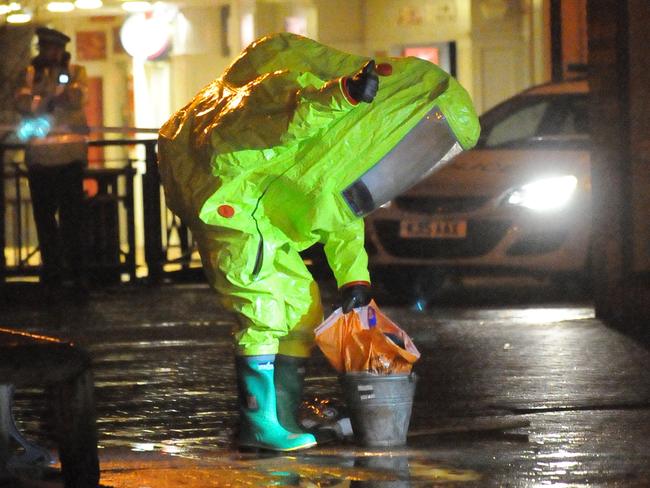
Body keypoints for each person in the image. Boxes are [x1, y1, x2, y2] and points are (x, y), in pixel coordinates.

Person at [157, 33, 480, 452]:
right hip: (229, 196)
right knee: (263, 303)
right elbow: (271, 122)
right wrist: (339, 97)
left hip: (262, 212)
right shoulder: (288, 86)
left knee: (299, 309)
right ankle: (258, 421)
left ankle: (282, 417)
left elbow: (339, 207)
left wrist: (353, 278)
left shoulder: (357, 144)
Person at [15, 27, 89, 301]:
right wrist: (47, 97)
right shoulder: (30, 74)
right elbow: (22, 103)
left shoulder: (76, 71)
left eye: (55, 49)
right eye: (46, 49)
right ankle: (54, 274)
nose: (50, 54)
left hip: (70, 158)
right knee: (45, 221)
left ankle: (77, 274)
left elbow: (76, 98)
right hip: (40, 160)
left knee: (72, 220)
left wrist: (48, 97)